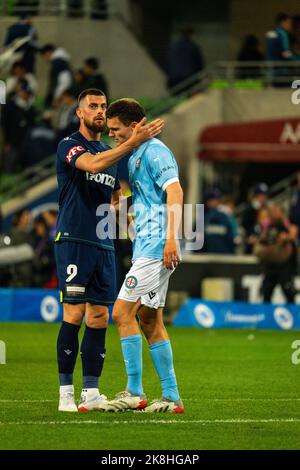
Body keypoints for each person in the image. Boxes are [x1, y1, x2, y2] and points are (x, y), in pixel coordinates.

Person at [54, 88, 164, 412]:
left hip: (103, 245)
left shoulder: (111, 155)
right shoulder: (70, 145)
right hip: (74, 239)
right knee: (74, 314)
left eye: (103, 106)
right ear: (80, 113)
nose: (100, 111)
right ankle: (65, 395)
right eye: (93, 106)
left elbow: (115, 203)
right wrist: (131, 143)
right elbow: (91, 165)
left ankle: (91, 392)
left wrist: (145, 231)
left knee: (100, 316)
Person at [100, 98, 184, 413]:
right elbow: (151, 196)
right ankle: (172, 397)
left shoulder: (157, 152)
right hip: (146, 245)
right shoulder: (137, 154)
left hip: (157, 246)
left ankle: (134, 391)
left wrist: (171, 239)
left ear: (134, 126)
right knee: (148, 319)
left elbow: (175, 191)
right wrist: (124, 208)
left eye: (116, 130)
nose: (113, 136)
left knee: (122, 313)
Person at [167, 26, 204, 92]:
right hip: (188, 79)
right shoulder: (193, 47)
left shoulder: (174, 46)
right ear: (191, 34)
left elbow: (168, 62)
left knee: (176, 99)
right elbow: (199, 65)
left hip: (173, 78)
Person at [40, 44, 74, 108]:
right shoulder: (63, 62)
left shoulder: (57, 63)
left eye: (44, 56)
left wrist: (57, 97)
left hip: (62, 97)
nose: (45, 59)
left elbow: (64, 81)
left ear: (48, 52)